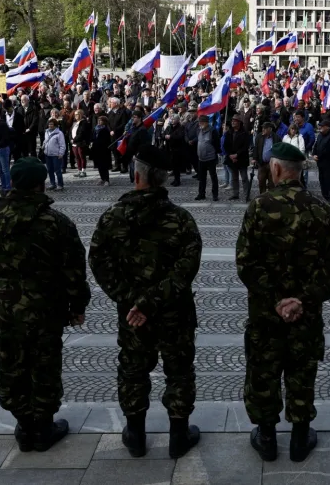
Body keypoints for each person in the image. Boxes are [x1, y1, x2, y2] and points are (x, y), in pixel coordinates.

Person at [0, 157, 91, 453]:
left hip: (5, 311)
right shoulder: (56, 223)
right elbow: (74, 269)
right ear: (40, 184)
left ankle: (24, 425)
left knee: (11, 363)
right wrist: (77, 305)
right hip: (46, 310)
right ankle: (44, 425)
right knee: (44, 364)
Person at [89, 146, 204, 460]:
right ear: (163, 178)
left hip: (132, 315)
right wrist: (152, 301)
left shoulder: (113, 217)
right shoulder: (181, 220)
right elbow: (186, 269)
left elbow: (99, 262)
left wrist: (133, 302)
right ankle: (179, 435)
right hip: (175, 312)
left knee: (133, 371)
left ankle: (135, 435)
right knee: (179, 372)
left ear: (136, 175)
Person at [235, 142, 330, 463]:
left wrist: (278, 300)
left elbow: (246, 263)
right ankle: (299, 438)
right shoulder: (321, 209)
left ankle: (267, 437)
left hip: (266, 315)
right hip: (305, 316)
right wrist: (301, 301)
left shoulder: (259, 207)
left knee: (263, 374)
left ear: (277, 169)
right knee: (301, 372)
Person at [223, 114, 251, 200]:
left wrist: (237, 155)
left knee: (244, 178)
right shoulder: (228, 133)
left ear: (239, 122)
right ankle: (235, 194)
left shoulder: (244, 133)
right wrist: (230, 155)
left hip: (242, 158)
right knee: (234, 178)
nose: (233, 122)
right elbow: (225, 145)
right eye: (232, 121)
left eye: (234, 121)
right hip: (231, 159)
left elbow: (245, 146)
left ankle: (247, 194)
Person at [195, 114, 221, 201]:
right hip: (201, 158)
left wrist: (216, 154)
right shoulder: (199, 130)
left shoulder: (213, 131)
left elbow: (217, 144)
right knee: (202, 178)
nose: (200, 124)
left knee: (213, 177)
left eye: (202, 122)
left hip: (210, 158)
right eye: (200, 122)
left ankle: (215, 195)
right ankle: (201, 194)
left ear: (207, 122)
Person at [313, 118, 330, 204]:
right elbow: (316, 146)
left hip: (327, 161)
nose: (320, 128)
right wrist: (314, 154)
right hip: (320, 162)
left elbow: (328, 150)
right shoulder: (320, 135)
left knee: (328, 180)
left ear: (327, 127)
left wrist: (318, 156)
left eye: (322, 126)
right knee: (321, 179)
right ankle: (324, 196)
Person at [252, 121, 276, 195]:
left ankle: (271, 198)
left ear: (270, 129)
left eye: (265, 128)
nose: (263, 129)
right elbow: (256, 148)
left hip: (272, 164)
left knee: (272, 183)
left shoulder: (275, 137)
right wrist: (254, 158)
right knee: (261, 181)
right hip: (262, 163)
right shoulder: (259, 136)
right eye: (262, 128)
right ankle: (262, 197)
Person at [42, 118, 66, 191]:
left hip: (56, 155)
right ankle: (53, 183)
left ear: (55, 125)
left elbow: (62, 145)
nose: (50, 125)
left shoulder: (59, 133)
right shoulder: (46, 132)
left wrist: (61, 153)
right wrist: (43, 146)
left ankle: (60, 184)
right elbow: (45, 141)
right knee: (50, 170)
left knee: (57, 170)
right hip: (48, 154)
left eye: (52, 124)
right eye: (49, 124)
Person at [90, 115, 112, 186]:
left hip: (104, 150)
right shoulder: (95, 128)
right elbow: (92, 137)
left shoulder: (106, 129)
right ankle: (102, 178)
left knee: (104, 165)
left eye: (101, 120)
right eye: (98, 120)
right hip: (96, 149)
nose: (99, 121)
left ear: (104, 122)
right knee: (99, 165)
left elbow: (107, 141)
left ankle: (107, 180)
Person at [71, 109, 91, 177]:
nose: (75, 116)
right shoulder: (74, 123)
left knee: (82, 156)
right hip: (74, 143)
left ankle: (83, 171)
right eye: (75, 114)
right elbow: (71, 131)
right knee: (77, 157)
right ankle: (79, 170)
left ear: (81, 115)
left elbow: (81, 133)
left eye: (77, 114)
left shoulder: (84, 123)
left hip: (80, 143)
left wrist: (74, 139)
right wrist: (71, 139)